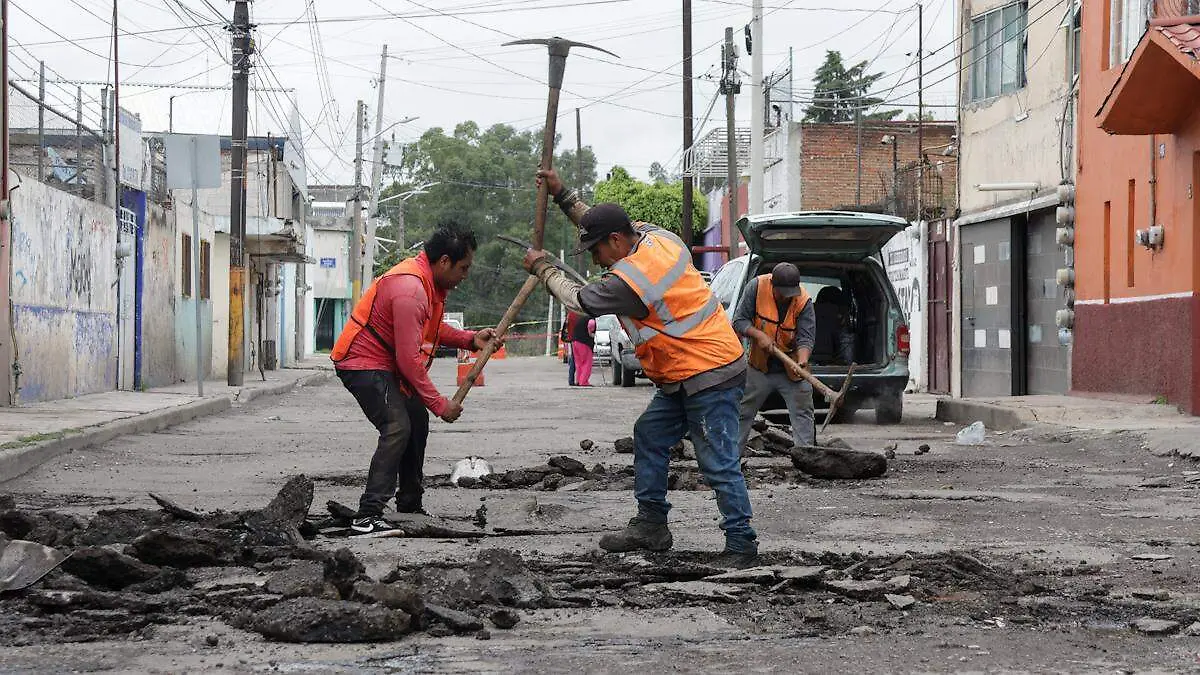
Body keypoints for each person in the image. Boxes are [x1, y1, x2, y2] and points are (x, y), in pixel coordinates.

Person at [522, 169, 758, 566]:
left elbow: (579, 299)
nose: (596, 261)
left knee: (717, 459)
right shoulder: (657, 238)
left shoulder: (631, 280)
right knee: (649, 434)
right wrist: (563, 196)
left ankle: (741, 543)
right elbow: (597, 219)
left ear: (615, 242)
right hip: (684, 373)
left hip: (709, 372)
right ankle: (651, 524)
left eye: (596, 252)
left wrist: (544, 269)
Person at [331, 222, 500, 537]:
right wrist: (440, 405)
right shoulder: (411, 289)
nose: (465, 276)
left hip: (385, 364)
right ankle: (367, 516)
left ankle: (409, 505)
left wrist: (470, 339)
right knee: (397, 427)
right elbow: (408, 361)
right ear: (444, 262)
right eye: (463, 268)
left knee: (415, 421)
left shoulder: (429, 284)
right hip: (361, 363)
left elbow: (430, 330)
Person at [733, 262, 817, 451]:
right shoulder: (756, 287)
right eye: (783, 293)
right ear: (772, 284)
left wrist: (802, 361)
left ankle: (807, 458)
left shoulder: (803, 301)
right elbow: (739, 321)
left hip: (792, 369)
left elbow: (806, 337)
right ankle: (730, 463)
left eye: (790, 293)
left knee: (803, 413)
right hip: (759, 366)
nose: (787, 298)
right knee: (742, 411)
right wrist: (758, 335)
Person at [571, 314, 596, 386]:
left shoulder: (580, 318)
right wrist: (591, 334)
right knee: (587, 362)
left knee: (578, 363)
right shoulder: (590, 319)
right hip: (584, 343)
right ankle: (583, 381)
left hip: (575, 342)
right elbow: (591, 324)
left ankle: (578, 380)